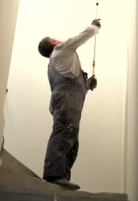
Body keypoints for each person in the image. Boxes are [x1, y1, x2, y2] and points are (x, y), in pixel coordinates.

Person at [37, 19, 101, 190]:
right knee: (65, 132)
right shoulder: (60, 50)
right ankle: (54, 175)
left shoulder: (58, 62)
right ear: (53, 42)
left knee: (71, 139)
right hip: (66, 99)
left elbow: (71, 83)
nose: (59, 40)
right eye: (55, 39)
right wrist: (93, 27)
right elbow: (78, 39)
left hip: (66, 100)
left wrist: (87, 85)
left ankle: (62, 177)